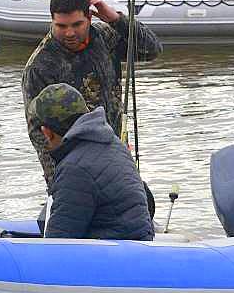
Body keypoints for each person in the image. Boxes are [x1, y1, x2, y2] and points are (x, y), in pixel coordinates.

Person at [22, 0, 160, 189]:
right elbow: (38, 132)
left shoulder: (104, 36)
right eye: (61, 26)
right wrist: (58, 183)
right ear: (52, 21)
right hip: (77, 164)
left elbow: (151, 50)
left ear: (90, 18)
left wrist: (116, 20)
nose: (69, 33)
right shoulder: (40, 66)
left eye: (77, 24)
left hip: (117, 149)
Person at [28, 83, 154, 240]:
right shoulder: (115, 144)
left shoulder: (74, 168)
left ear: (47, 132)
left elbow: (58, 243)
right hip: (137, 245)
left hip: (111, 258)